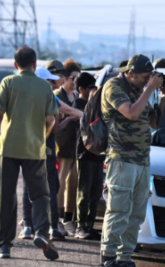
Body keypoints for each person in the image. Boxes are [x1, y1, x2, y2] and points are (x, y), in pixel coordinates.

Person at [0, 46, 59, 260]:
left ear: (16, 65)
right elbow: (51, 120)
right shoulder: (45, 87)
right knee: (40, 195)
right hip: (34, 150)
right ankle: (42, 233)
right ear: (35, 65)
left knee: (7, 197)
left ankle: (4, 246)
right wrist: (41, 138)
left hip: (7, 148)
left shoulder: (8, 82)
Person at [97, 54, 165, 267]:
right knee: (118, 210)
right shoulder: (114, 86)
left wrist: (163, 97)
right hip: (121, 158)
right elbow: (131, 112)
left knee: (136, 213)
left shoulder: (143, 89)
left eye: (150, 76)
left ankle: (124, 259)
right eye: (144, 77)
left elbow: (154, 122)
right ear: (130, 73)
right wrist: (149, 89)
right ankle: (107, 262)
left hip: (142, 160)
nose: (148, 80)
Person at [18, 67, 67, 242]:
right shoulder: (49, 98)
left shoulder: (23, 98)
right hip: (46, 147)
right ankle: (53, 228)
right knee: (50, 186)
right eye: (51, 82)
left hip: (28, 146)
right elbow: (52, 121)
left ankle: (28, 226)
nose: (53, 84)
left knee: (29, 186)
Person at [54, 59, 81, 236]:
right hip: (61, 144)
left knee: (74, 182)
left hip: (76, 145)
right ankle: (55, 217)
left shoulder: (77, 97)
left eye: (77, 79)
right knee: (60, 182)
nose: (74, 82)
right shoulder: (57, 95)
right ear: (65, 78)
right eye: (72, 78)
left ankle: (68, 218)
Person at [74, 72, 103, 240]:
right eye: (91, 88)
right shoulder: (79, 103)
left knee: (95, 191)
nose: (94, 91)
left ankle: (90, 225)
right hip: (85, 153)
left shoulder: (96, 104)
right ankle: (80, 225)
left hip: (97, 153)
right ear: (82, 89)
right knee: (84, 192)